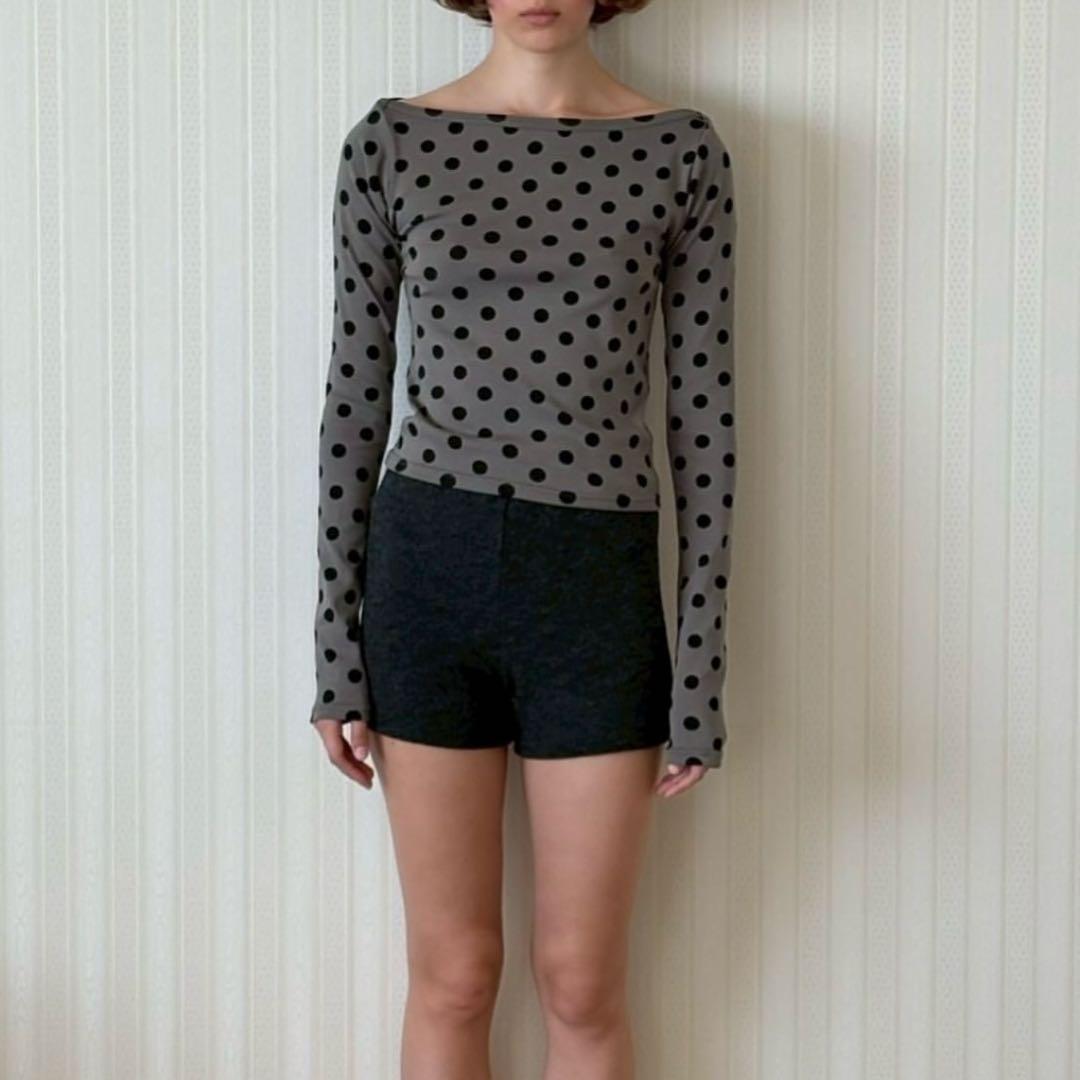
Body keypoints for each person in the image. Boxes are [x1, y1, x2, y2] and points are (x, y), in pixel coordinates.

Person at [310, 1, 736, 1074]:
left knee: (581, 982)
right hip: (427, 579)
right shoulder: (392, 142)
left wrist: (701, 666)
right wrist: (334, 651)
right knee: (454, 975)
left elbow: (705, 422)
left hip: (595, 593)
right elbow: (354, 402)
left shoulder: (679, 151)